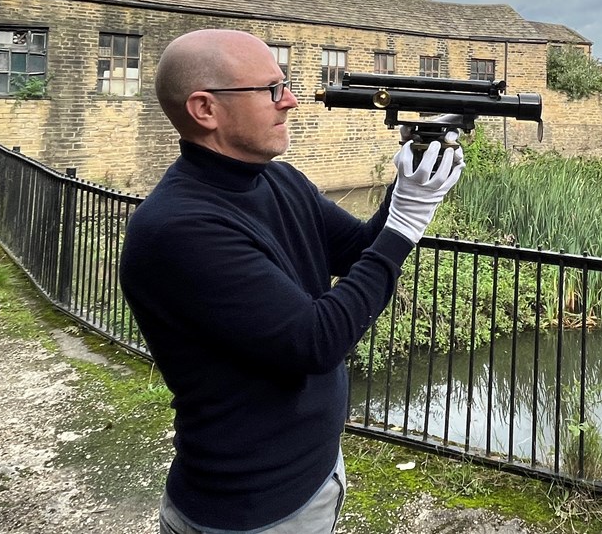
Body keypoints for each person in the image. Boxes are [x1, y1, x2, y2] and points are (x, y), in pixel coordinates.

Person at [119, 28, 463, 534]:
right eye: (271, 90)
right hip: (251, 506)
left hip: (312, 473)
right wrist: (407, 222)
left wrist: (411, 186)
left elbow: (355, 250)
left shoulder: (277, 178)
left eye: (285, 84)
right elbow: (314, 341)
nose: (291, 100)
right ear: (205, 108)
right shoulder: (179, 228)